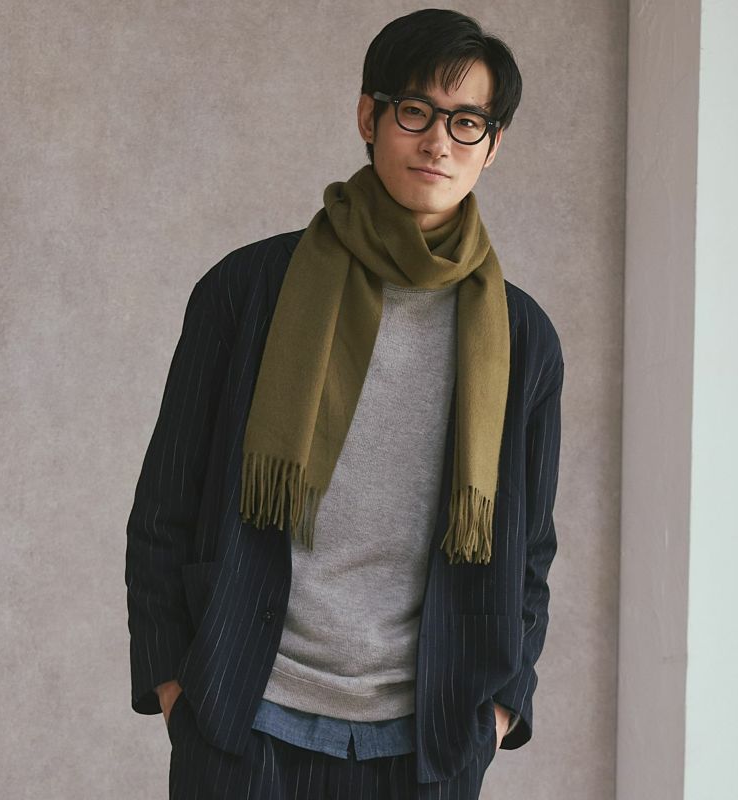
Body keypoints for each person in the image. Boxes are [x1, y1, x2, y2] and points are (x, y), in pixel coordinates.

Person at [125, 8, 563, 799]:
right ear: (370, 116)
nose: (439, 142)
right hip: (245, 721)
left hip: (426, 743)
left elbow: (528, 547)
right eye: (416, 111)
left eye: (467, 122)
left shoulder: (522, 335)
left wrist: (501, 706)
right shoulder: (248, 290)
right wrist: (173, 684)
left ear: (492, 144)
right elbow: (165, 505)